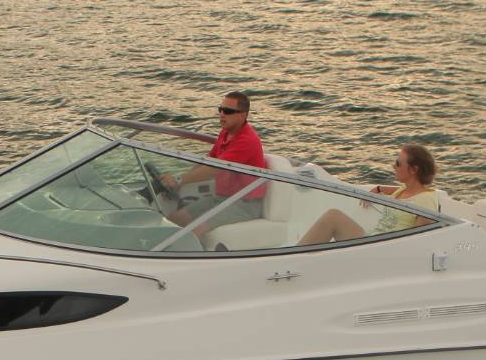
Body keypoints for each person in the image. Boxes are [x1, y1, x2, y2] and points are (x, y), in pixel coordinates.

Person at [157, 92, 270, 236]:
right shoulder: (225, 133)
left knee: (194, 230)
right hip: (221, 198)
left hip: (244, 205)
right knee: (175, 219)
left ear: (242, 115)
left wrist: (178, 180)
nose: (222, 114)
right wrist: (181, 180)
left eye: (228, 111)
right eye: (220, 109)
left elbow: (214, 169)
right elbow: (209, 160)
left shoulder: (247, 140)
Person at [298, 144, 441, 247]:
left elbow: (418, 243)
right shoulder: (405, 189)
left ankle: (295, 257)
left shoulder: (425, 201)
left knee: (333, 217)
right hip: (374, 240)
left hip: (382, 250)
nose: (393, 166)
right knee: (332, 215)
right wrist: (378, 189)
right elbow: (392, 190)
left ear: (414, 169)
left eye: (398, 163)